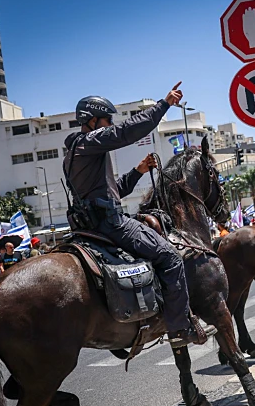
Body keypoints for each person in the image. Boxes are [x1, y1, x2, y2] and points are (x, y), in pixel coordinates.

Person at [64, 86, 209, 348]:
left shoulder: (76, 153)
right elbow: (126, 132)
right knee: (171, 258)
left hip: (90, 223)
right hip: (110, 223)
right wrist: (163, 105)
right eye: (107, 120)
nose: (110, 125)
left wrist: (139, 171)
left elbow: (113, 192)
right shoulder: (90, 142)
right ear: (93, 120)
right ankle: (179, 328)